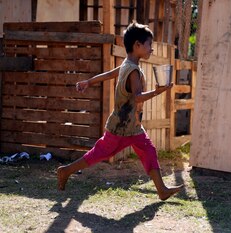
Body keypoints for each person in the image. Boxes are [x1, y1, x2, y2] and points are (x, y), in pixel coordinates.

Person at [57, 21, 184, 201]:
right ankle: (65, 171)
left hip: (132, 125)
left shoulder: (128, 64)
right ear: (137, 45)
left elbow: (109, 74)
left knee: (148, 150)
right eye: (149, 45)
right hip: (120, 127)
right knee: (100, 153)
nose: (152, 49)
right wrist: (158, 91)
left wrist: (88, 82)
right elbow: (137, 97)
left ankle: (161, 190)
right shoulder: (132, 71)